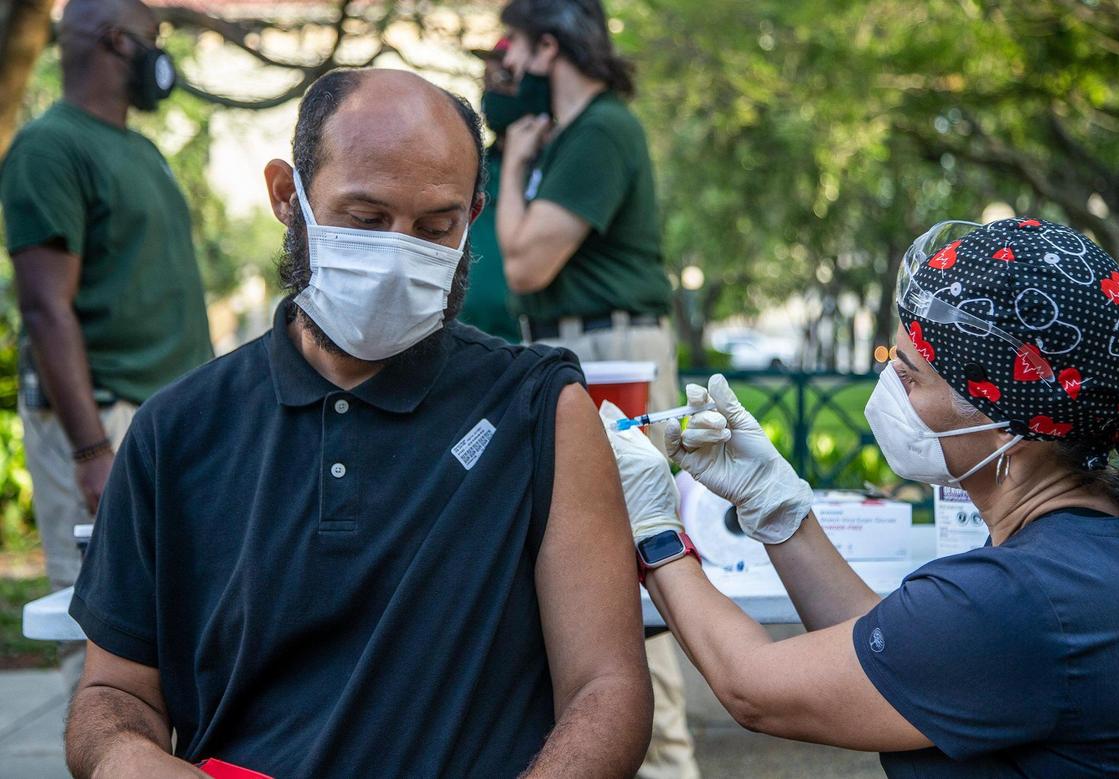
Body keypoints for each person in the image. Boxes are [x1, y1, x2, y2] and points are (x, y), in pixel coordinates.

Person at [63, 68, 652, 778]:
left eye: (437, 227)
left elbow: (607, 687)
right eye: (365, 219)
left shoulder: (539, 409)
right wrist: (124, 755)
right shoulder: (175, 432)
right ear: (288, 196)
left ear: (474, 214)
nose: (399, 256)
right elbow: (116, 689)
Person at [607, 218, 1119, 777]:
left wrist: (655, 531)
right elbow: (899, 647)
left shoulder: (1018, 600)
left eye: (910, 377)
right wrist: (777, 507)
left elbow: (753, 688)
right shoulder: (1084, 550)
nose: (889, 388)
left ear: (1006, 421)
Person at [496, 4, 696, 776]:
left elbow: (523, 266)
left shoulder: (603, 129)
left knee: (637, 561)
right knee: (578, 565)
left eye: (515, 43)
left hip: (609, 347)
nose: (506, 62)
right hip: (567, 343)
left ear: (550, 44)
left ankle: (668, 762)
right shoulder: (568, 136)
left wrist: (512, 165)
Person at [0, 0, 212, 686]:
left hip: (167, 419)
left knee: (177, 614)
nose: (162, 56)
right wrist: (92, 452)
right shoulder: (50, 147)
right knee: (97, 625)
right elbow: (43, 305)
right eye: (155, 39)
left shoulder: (140, 149)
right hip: (103, 419)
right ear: (118, 41)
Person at [459, 38, 522, 342]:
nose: (492, 93)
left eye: (505, 80)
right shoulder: (473, 166)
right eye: (487, 82)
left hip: (535, 343)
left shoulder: (560, 167)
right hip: (470, 341)